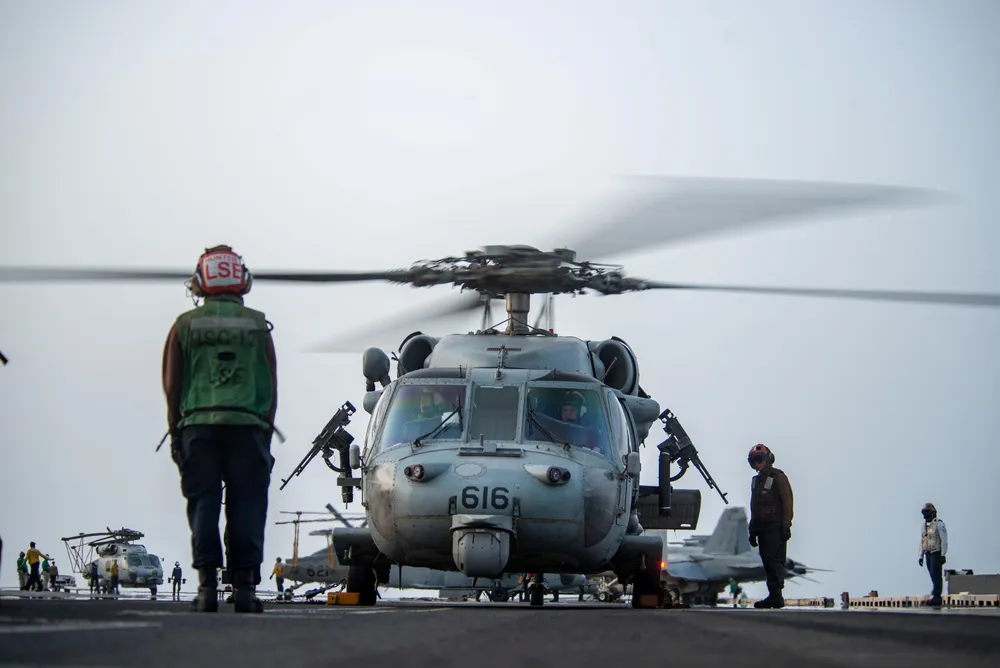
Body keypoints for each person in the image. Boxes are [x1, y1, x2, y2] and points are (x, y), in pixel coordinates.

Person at [162, 245, 278, 614]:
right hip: (248, 427)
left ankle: (207, 587)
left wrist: (175, 432)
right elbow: (271, 385)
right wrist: (265, 432)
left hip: (198, 427)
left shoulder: (184, 325)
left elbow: (172, 385)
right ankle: (244, 589)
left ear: (201, 281)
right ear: (242, 280)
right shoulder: (257, 325)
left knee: (204, 502)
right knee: (248, 503)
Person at [747, 444, 793, 609]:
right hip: (762, 528)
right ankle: (773, 595)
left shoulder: (778, 477)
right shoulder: (756, 481)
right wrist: (752, 530)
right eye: (753, 461)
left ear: (768, 459)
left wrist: (786, 525)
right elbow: (754, 506)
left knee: (775, 561)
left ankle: (776, 596)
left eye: (759, 459)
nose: (757, 463)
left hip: (775, 527)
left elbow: (787, 502)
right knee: (767, 560)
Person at [918, 502, 948, 607]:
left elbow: (944, 540)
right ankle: (935, 592)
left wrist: (943, 554)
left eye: (927, 512)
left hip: (936, 552)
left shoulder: (938, 524)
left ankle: (937, 594)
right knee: (931, 573)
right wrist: (921, 556)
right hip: (928, 553)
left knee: (936, 573)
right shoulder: (924, 527)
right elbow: (923, 541)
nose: (925, 514)